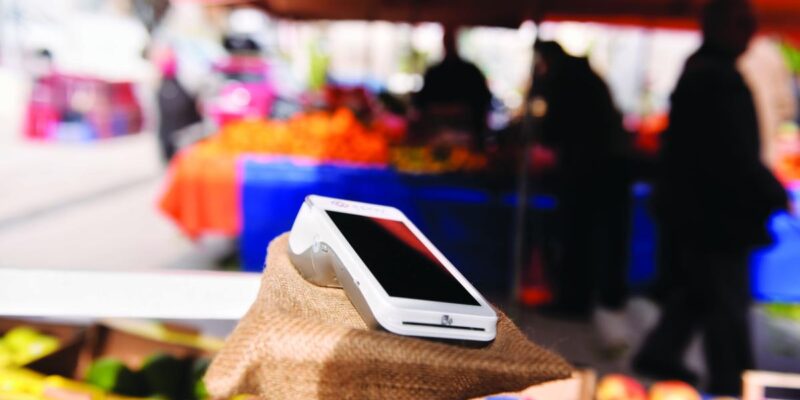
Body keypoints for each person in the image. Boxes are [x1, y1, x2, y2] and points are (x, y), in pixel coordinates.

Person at [633, 0, 788, 395]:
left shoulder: (709, 72)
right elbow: (732, 153)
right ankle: (732, 383)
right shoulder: (713, 77)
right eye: (742, 23)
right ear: (719, 25)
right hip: (713, 214)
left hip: (703, 211)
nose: (750, 32)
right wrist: (769, 190)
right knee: (723, 302)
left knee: (700, 291)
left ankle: (661, 354)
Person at [529, 41, 632, 347]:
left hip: (586, 170)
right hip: (604, 169)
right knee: (596, 238)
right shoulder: (586, 78)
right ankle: (601, 295)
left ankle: (576, 299)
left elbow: (552, 129)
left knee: (577, 237)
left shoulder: (565, 81)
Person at [413, 26, 492, 149]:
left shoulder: (470, 71)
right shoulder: (434, 72)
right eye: (447, 40)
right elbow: (421, 103)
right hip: (437, 135)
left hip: (466, 135)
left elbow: (483, 100)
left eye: (451, 40)